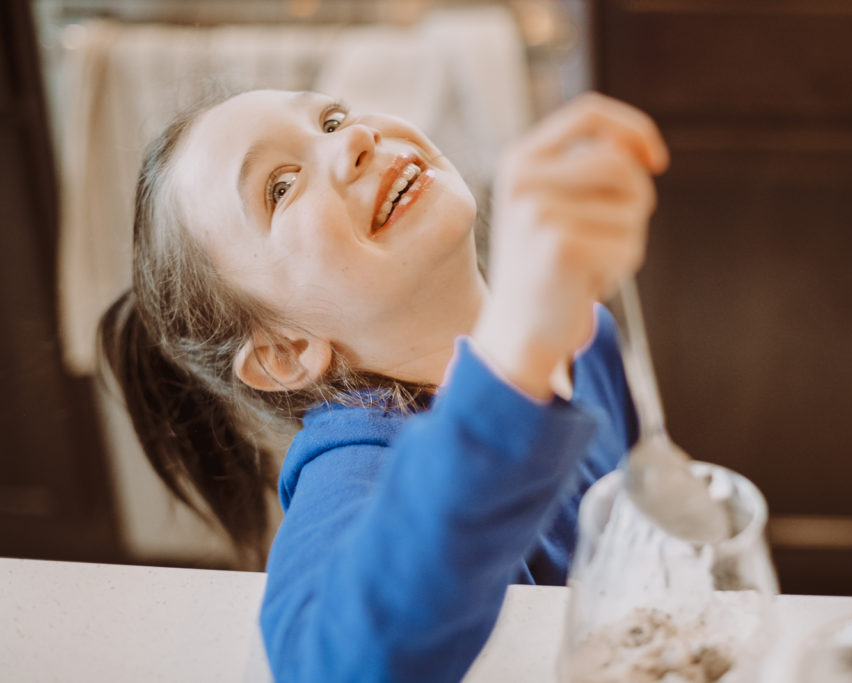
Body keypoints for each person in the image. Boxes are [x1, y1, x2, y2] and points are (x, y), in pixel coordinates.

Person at [99, 87, 668, 682]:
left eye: (331, 118)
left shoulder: (585, 335)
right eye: (280, 187)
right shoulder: (355, 469)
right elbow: (329, 670)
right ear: (285, 354)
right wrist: (513, 358)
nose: (351, 140)